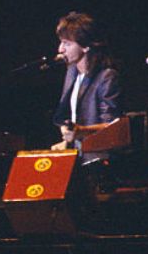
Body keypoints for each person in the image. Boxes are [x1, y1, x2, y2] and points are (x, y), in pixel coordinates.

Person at [50, 11, 123, 152]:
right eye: (61, 42)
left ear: (85, 46)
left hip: (100, 156)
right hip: (78, 153)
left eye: (67, 43)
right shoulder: (71, 72)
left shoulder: (107, 77)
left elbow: (113, 125)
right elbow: (67, 116)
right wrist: (67, 138)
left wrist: (80, 132)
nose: (60, 49)